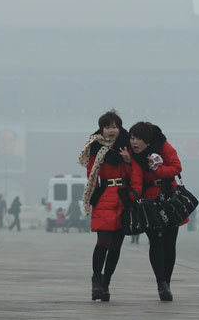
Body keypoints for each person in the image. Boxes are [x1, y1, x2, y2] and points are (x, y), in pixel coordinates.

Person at [127, 121, 184, 302]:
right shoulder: (134, 155)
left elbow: (176, 167)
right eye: (131, 138)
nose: (133, 142)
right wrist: (135, 199)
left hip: (169, 196)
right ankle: (161, 284)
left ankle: (167, 281)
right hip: (149, 200)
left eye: (138, 139)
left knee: (170, 244)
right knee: (156, 242)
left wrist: (159, 169)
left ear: (148, 141)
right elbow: (136, 179)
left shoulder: (163, 145)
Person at [77, 109, 131, 302]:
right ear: (102, 128)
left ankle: (106, 284)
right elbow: (91, 172)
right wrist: (94, 193)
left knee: (116, 245)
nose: (111, 130)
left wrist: (128, 160)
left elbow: (133, 173)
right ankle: (96, 279)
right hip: (105, 197)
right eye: (107, 126)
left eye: (115, 126)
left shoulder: (127, 146)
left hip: (123, 199)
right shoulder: (96, 146)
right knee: (103, 242)